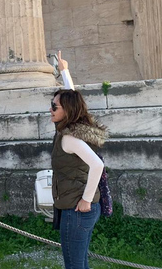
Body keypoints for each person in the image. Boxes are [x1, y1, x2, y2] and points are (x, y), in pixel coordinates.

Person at [50, 51, 107, 269]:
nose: (51, 109)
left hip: (77, 210)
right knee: (79, 264)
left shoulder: (70, 137)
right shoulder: (77, 126)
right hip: (79, 208)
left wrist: (85, 199)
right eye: (51, 104)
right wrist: (64, 71)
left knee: (74, 266)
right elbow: (71, 97)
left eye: (55, 107)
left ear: (67, 111)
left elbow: (97, 165)